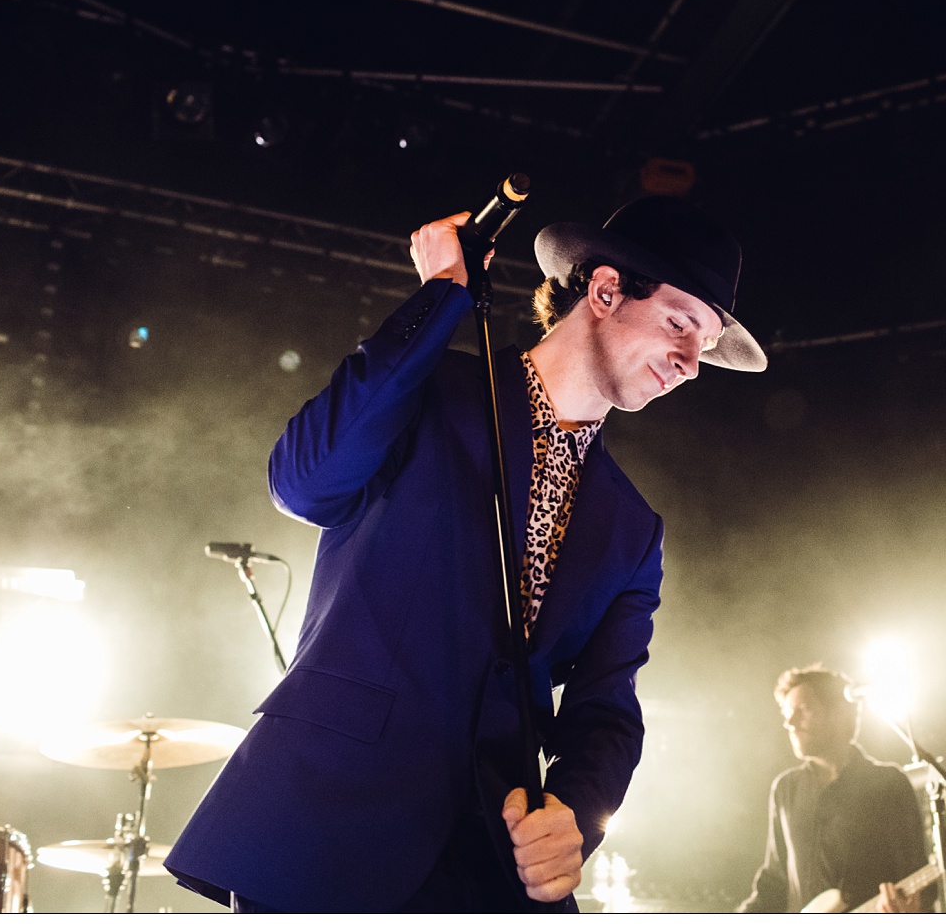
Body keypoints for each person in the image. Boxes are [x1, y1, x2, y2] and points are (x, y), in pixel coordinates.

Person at [164, 195, 767, 912]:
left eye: (705, 343)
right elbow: (304, 482)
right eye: (680, 325)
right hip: (328, 822)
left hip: (490, 861)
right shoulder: (431, 390)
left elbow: (606, 712)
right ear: (605, 290)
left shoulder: (633, 528)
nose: (691, 364)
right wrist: (441, 296)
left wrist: (571, 815)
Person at [738, 665, 929, 913]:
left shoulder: (888, 783)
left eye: (801, 710)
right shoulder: (786, 789)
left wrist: (910, 907)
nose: (790, 723)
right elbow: (774, 882)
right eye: (787, 714)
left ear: (837, 713)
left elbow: (917, 875)